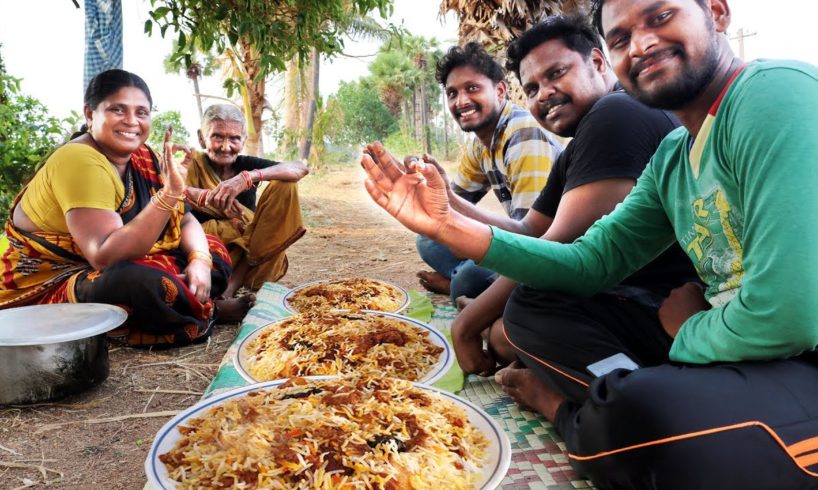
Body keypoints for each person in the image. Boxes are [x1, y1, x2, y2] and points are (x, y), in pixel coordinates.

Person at [361, 0, 818, 487]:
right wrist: (447, 227)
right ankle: (621, 407)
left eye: (661, 17)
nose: (641, 44)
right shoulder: (673, 156)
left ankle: (571, 412)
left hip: (795, 355)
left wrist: (689, 330)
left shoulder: (774, 95)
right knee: (535, 309)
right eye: (621, 38)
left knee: (643, 414)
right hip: (725, 344)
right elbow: (589, 261)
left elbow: (788, 315)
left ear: (718, 13)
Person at [448, 15, 699, 396]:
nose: (543, 94)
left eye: (556, 73)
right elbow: (529, 232)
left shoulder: (616, 114)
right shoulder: (581, 139)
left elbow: (559, 246)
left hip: (673, 308)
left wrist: (466, 324)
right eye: (531, 88)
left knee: (519, 318)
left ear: (598, 63)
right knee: (505, 332)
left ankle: (630, 398)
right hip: (621, 293)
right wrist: (445, 204)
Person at [0, 69, 236, 347]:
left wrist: (199, 261)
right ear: (90, 114)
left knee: (212, 248)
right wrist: (169, 194)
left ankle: (184, 297)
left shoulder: (144, 155)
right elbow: (104, 255)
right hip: (53, 278)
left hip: (119, 261)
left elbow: (184, 221)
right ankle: (208, 307)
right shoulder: (80, 159)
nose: (132, 121)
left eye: (142, 112)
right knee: (145, 285)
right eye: (118, 109)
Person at [415, 42, 562, 302]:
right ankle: (466, 280)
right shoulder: (480, 143)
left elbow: (531, 239)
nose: (461, 101)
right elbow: (450, 205)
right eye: (452, 93)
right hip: (520, 240)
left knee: (467, 279)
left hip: (553, 252)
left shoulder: (522, 135)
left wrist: (462, 237)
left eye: (472, 88)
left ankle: (459, 283)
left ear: (500, 90)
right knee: (427, 240)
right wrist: (427, 187)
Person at [185, 104, 308, 308]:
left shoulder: (247, 164)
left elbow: (300, 168)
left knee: (286, 186)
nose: (226, 147)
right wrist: (206, 197)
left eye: (234, 138)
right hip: (206, 259)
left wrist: (249, 177)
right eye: (217, 137)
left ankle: (231, 286)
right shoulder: (193, 163)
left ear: (242, 140)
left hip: (255, 261)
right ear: (201, 138)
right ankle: (224, 295)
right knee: (231, 225)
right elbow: (170, 195)